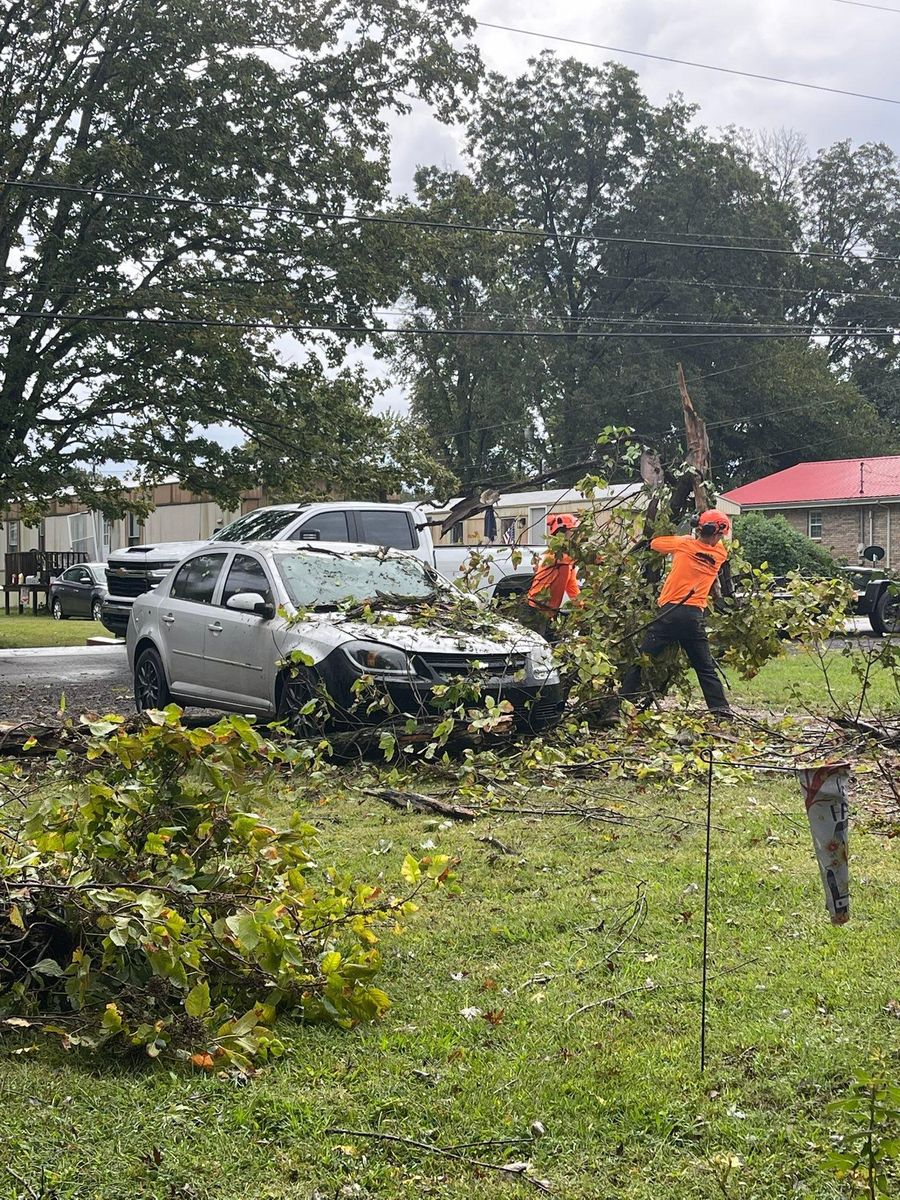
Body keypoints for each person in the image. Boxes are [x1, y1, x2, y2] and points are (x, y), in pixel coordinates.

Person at [620, 510, 733, 717]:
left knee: (642, 661)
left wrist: (684, 537)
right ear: (716, 533)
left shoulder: (683, 544)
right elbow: (711, 546)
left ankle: (619, 705)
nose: (720, 539)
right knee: (705, 668)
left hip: (669, 613)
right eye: (720, 535)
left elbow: (654, 544)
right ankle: (721, 712)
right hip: (693, 617)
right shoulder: (720, 555)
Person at [522, 513, 581, 640]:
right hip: (535, 612)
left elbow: (573, 590)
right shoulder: (556, 556)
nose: (577, 536)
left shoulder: (567, 565)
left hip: (548, 614)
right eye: (574, 531)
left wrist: (584, 610)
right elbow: (584, 557)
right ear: (562, 534)